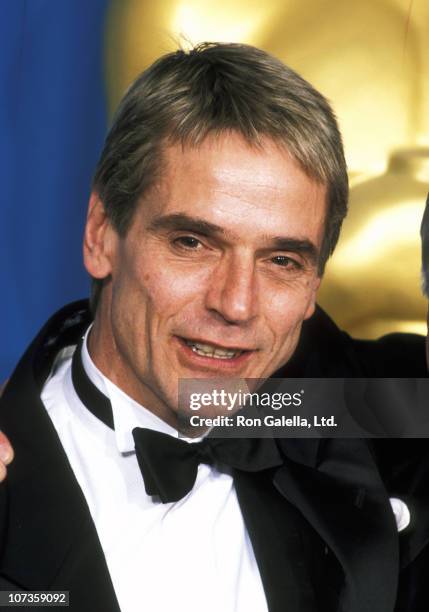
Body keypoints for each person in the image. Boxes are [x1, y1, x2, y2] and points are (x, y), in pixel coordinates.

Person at [0, 43, 427, 612]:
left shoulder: (342, 411)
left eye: (282, 261)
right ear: (102, 233)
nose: (236, 304)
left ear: (314, 285)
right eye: (192, 243)